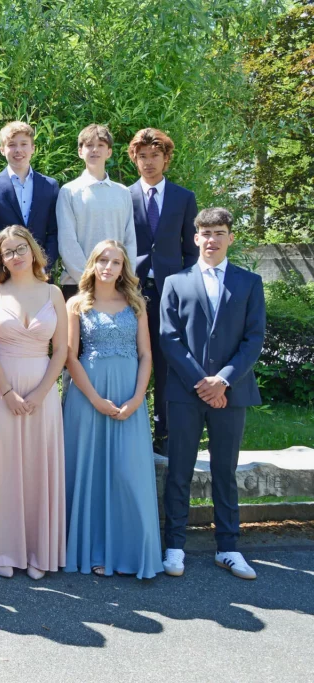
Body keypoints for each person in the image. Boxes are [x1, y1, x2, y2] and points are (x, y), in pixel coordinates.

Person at [160, 208, 266, 580]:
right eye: (205, 233)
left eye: (219, 232)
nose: (212, 239)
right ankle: (174, 547)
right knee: (179, 471)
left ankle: (229, 548)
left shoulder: (249, 282)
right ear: (195, 238)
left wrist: (222, 381)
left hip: (231, 393)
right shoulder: (176, 282)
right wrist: (201, 384)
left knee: (225, 470)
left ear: (230, 238)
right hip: (185, 393)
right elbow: (169, 338)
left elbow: (254, 339)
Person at [0, 225, 68, 579]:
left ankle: (35, 549)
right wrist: (9, 393)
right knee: (4, 468)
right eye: (8, 251)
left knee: (35, 467)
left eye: (20, 248)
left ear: (33, 250)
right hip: (2, 388)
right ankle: (0, 549)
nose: (15, 256)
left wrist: (42, 392)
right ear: (0, 258)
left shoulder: (53, 292)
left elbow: (61, 350)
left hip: (43, 390)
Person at [64, 240, 162, 580]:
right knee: (90, 474)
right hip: (88, 398)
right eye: (102, 260)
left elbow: (147, 354)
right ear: (92, 264)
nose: (108, 266)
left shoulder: (136, 304)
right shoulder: (77, 304)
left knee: (127, 474)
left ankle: (131, 551)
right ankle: (92, 551)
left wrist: (138, 399)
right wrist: (93, 398)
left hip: (127, 397)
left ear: (124, 268)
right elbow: (69, 355)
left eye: (116, 262)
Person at [127, 128, 199, 454]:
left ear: (166, 159)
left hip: (172, 292)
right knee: (135, 360)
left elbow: (192, 251)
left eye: (155, 155)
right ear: (134, 160)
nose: (149, 162)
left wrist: (188, 290)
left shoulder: (184, 198)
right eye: (142, 156)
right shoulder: (123, 197)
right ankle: (132, 430)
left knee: (168, 363)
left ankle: (164, 435)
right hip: (133, 292)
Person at [57, 124, 136, 300]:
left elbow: (129, 240)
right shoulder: (69, 191)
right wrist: (90, 280)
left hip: (117, 285)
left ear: (109, 152)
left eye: (100, 145)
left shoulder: (123, 192)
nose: (95, 150)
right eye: (89, 145)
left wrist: (124, 278)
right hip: (78, 285)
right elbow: (67, 241)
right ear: (80, 151)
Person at [0, 121, 60, 270]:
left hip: (41, 274)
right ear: (2, 150)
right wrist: (6, 262)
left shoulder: (50, 186)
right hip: (4, 272)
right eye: (12, 145)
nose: (18, 150)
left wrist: (43, 266)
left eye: (24, 144)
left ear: (33, 148)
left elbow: (54, 232)